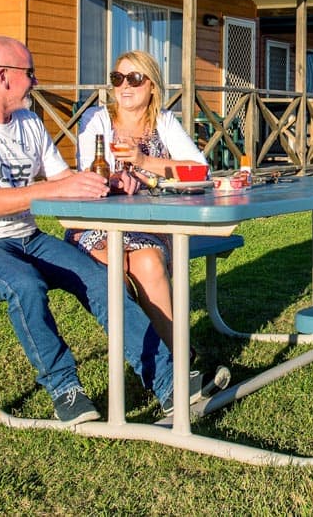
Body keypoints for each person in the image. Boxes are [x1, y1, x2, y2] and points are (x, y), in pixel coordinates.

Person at [0, 35, 201, 425]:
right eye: (30, 74)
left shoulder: (28, 123)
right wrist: (57, 188)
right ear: (4, 76)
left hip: (26, 236)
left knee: (101, 278)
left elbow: (65, 178)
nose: (35, 82)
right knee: (25, 284)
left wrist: (105, 184)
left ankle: (168, 383)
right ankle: (64, 388)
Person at [71, 51, 228, 385]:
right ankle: (171, 368)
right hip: (97, 224)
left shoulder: (164, 123)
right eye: (118, 78)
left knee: (148, 264)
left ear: (153, 86)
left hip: (149, 225)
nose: (124, 86)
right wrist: (114, 179)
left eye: (134, 78)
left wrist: (145, 160)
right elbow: (90, 169)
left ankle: (178, 362)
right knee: (120, 268)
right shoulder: (97, 121)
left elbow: (200, 170)